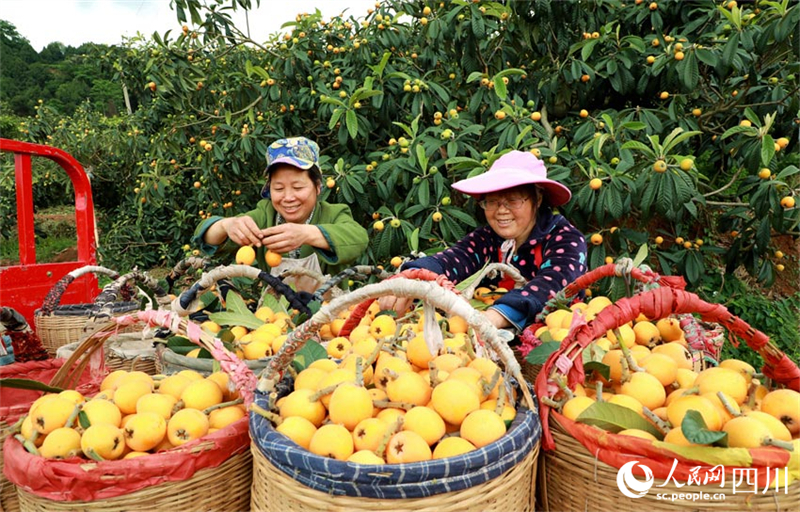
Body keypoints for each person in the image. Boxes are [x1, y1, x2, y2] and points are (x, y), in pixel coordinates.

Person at [379, 150, 587, 331]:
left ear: (538, 199)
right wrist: (411, 276)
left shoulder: (565, 239)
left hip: (553, 344)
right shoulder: (488, 239)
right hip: (485, 343)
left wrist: (495, 316)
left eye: (513, 200)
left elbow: (554, 284)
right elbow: (453, 259)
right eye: (492, 201)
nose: (502, 210)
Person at [192, 136, 369, 292]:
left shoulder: (334, 214)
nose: (288, 197)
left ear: (317, 187)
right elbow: (206, 237)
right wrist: (226, 225)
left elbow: (358, 238)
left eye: (298, 187)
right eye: (278, 188)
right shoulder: (265, 215)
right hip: (274, 318)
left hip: (331, 318)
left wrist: (307, 234)